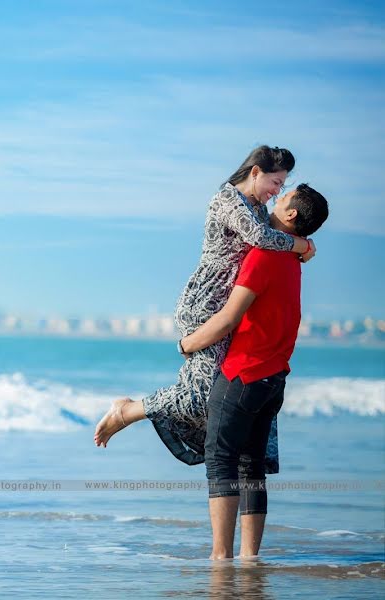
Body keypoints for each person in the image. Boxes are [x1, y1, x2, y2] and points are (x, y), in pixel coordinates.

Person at [93, 146, 315, 478]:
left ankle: (237, 467)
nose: (277, 191)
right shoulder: (227, 201)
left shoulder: (257, 206)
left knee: (214, 398)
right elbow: (262, 237)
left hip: (226, 311)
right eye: (275, 182)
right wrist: (303, 245)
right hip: (204, 306)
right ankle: (128, 411)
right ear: (255, 172)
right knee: (200, 399)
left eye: (282, 186)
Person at [178, 183, 329, 559]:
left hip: (244, 374)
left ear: (291, 214)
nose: (277, 198)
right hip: (274, 378)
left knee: (221, 459)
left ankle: (220, 555)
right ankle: (249, 557)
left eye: (284, 195)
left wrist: (188, 344)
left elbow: (229, 318)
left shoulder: (265, 255)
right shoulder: (293, 260)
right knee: (251, 466)